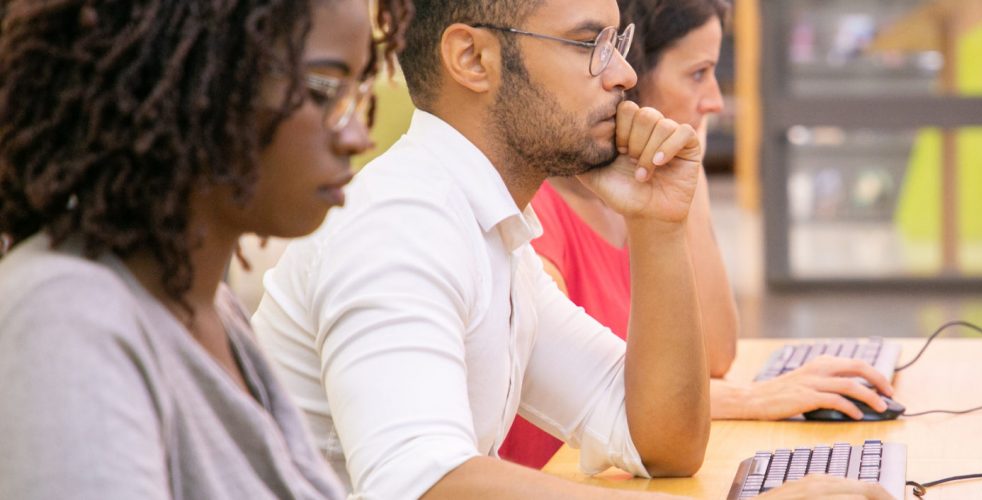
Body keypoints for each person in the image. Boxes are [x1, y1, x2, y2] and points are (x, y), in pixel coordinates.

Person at [251, 0, 890, 498]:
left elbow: (662, 440)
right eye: (590, 43)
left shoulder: (493, 235)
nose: (624, 74)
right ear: (472, 59)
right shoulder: (402, 223)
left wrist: (658, 226)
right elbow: (423, 483)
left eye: (618, 43)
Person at [0, 0, 410, 497]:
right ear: (195, 83)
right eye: (324, 91)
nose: (357, 135)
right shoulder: (68, 319)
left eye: (358, 92)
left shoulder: (212, 310)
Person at [497, 0, 898, 471]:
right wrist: (752, 398)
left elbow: (714, 353)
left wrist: (690, 178)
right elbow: (619, 405)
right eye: (697, 74)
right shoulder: (535, 223)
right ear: (635, 84)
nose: (715, 100)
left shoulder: (630, 205)